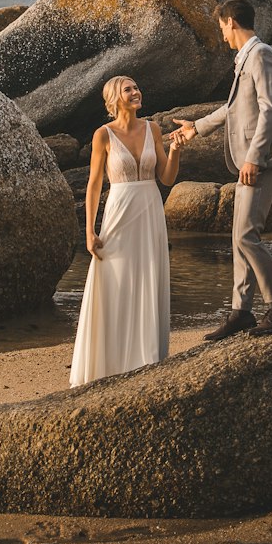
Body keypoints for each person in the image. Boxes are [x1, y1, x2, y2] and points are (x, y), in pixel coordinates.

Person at [172, 0, 272, 339]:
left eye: (222, 28)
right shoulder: (245, 58)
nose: (222, 36)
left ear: (230, 22)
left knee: (246, 235)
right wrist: (195, 127)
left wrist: (254, 158)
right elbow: (232, 110)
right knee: (237, 236)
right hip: (250, 159)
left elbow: (270, 110)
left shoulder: (262, 54)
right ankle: (240, 312)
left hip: (263, 160)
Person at [69, 75, 180, 387]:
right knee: (114, 280)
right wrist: (89, 231)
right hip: (119, 211)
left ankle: (145, 358)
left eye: (136, 87)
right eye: (128, 89)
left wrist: (175, 151)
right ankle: (111, 361)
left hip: (150, 210)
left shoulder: (153, 129)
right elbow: (94, 185)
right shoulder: (103, 135)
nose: (136, 92)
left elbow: (167, 178)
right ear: (115, 98)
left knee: (148, 276)